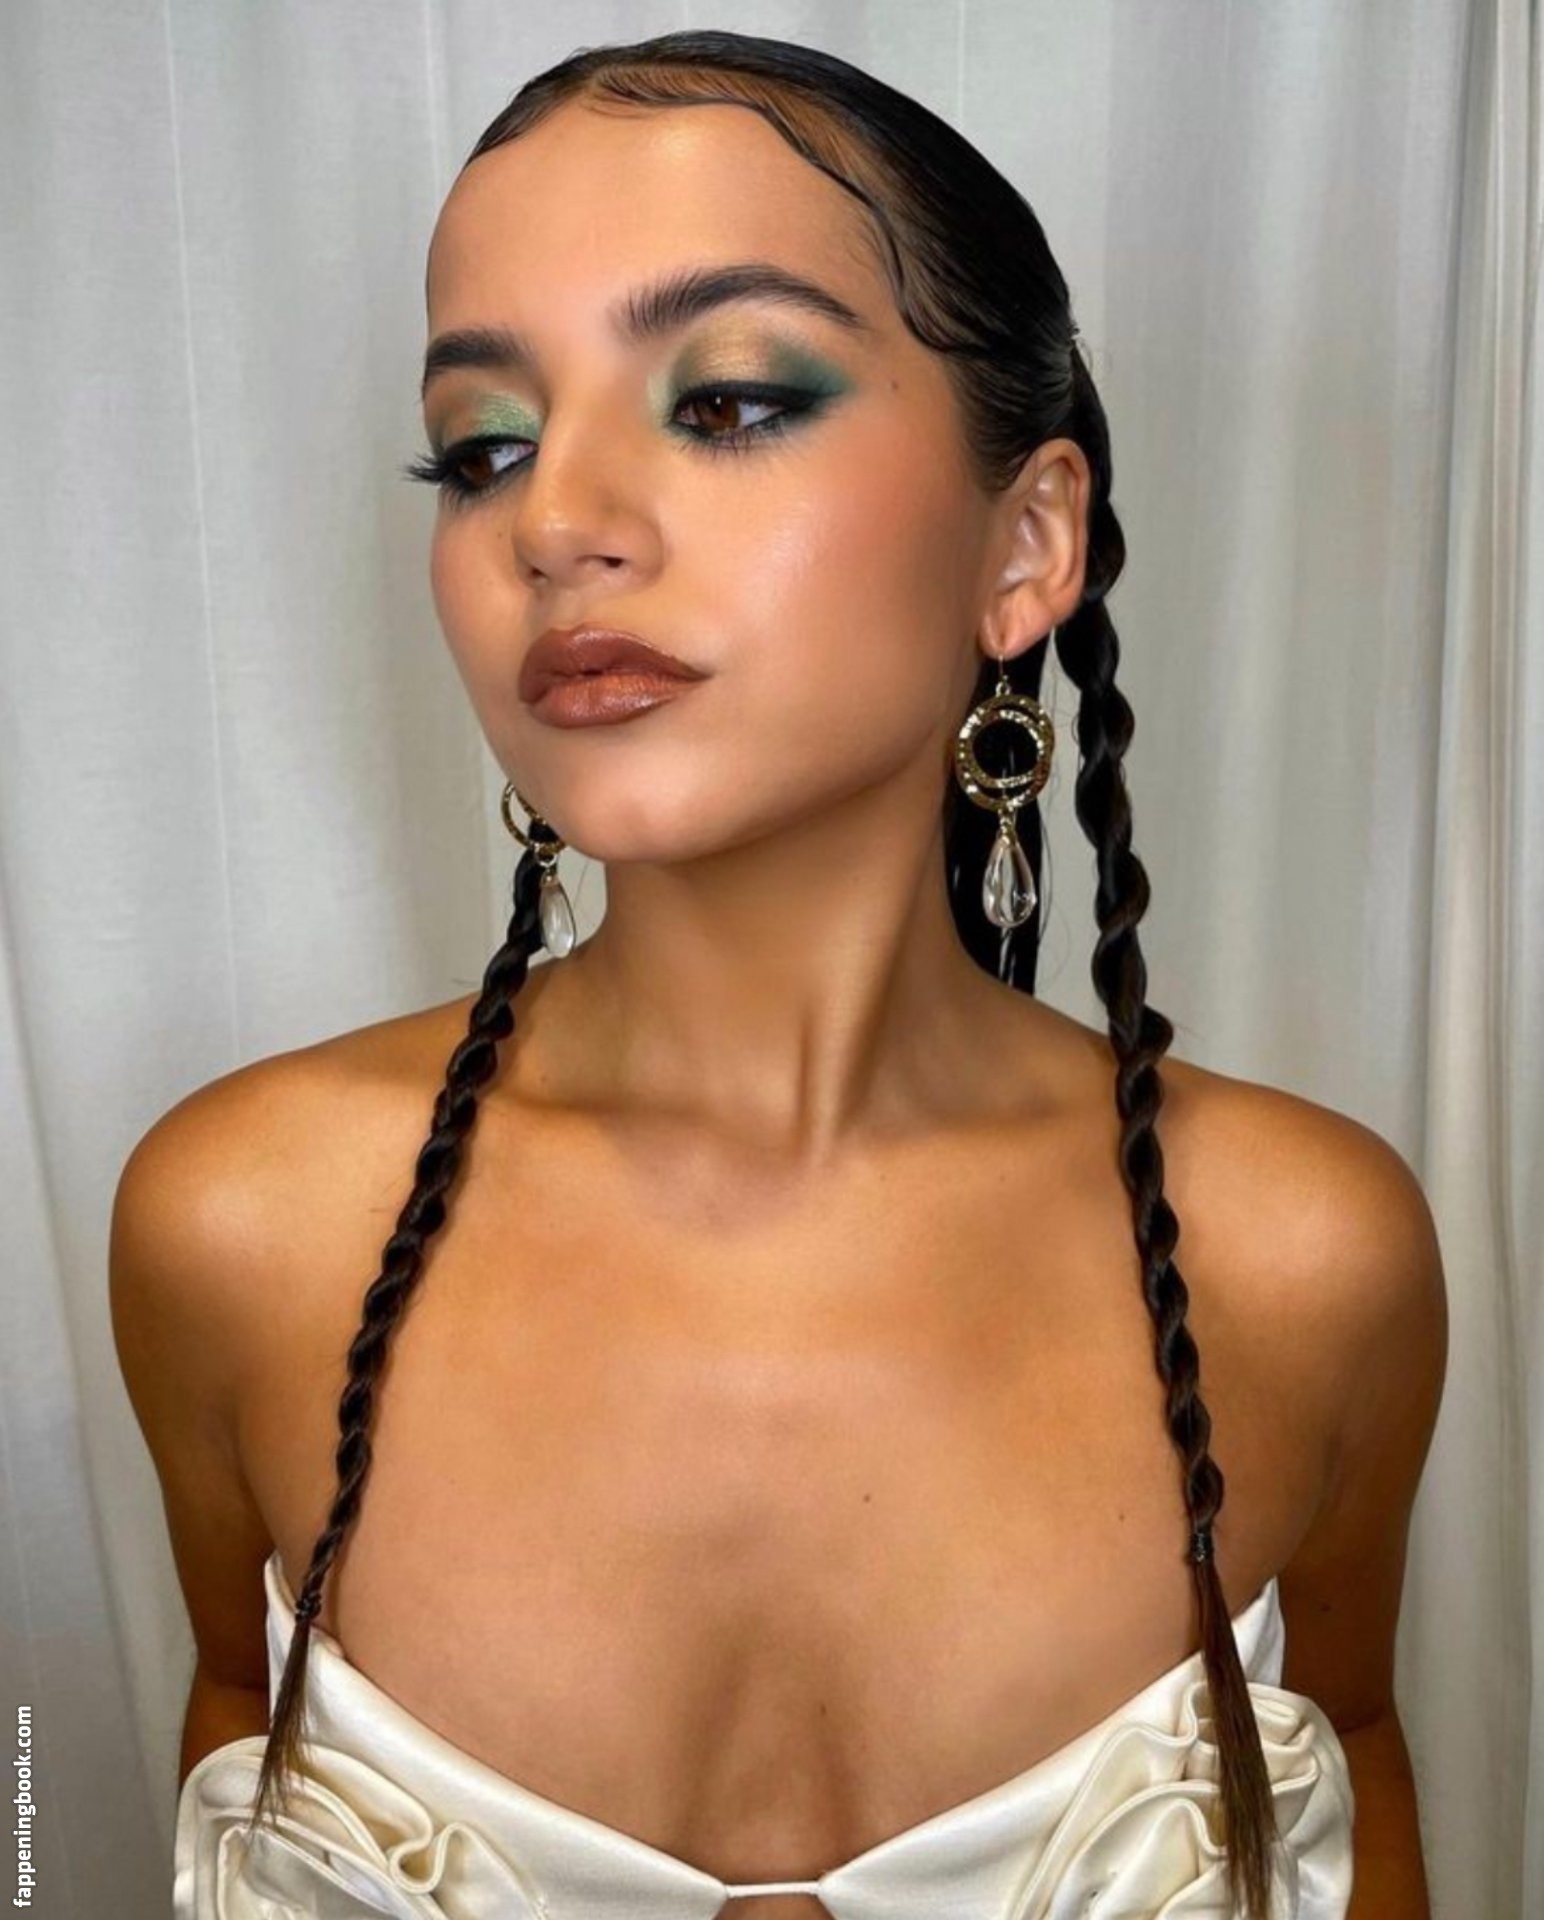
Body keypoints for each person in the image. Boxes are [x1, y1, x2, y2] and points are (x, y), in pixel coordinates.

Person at [111, 29, 1448, 1920]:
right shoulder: (241, 1232)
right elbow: (235, 1735)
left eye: (729, 400)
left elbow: (1352, 1750)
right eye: (484, 445)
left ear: (1027, 542)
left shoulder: (1304, 1262)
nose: (553, 522)